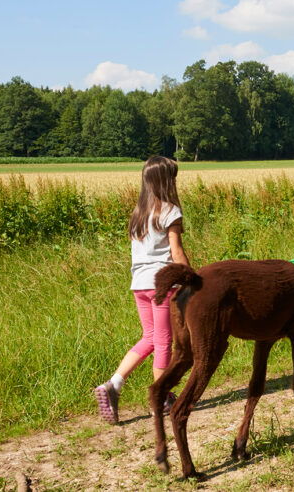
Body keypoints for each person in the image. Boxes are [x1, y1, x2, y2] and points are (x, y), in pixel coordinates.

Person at [94, 156, 188, 425]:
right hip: (162, 284)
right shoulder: (170, 211)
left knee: (150, 336)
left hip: (139, 284)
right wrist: (193, 277)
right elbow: (177, 252)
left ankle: (113, 384)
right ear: (165, 182)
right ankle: (162, 397)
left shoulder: (138, 213)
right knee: (163, 341)